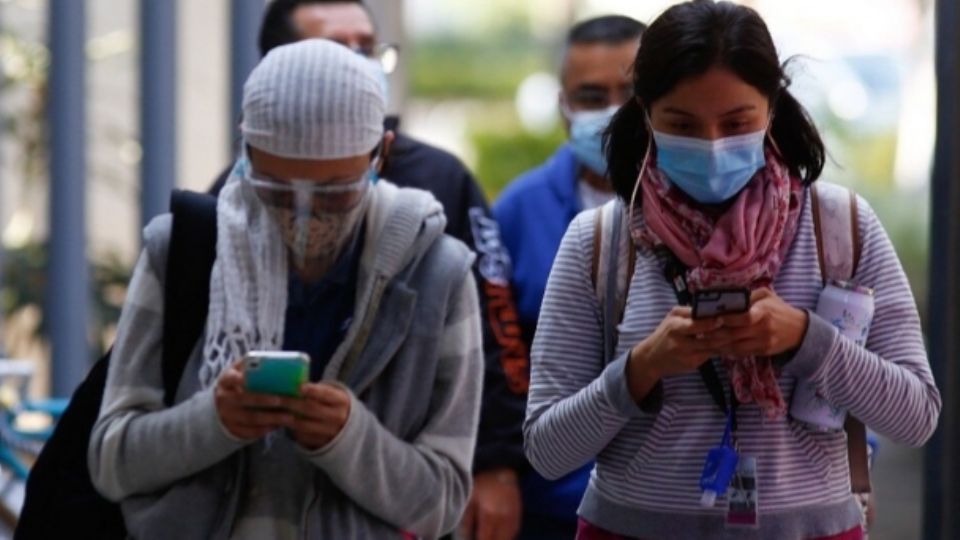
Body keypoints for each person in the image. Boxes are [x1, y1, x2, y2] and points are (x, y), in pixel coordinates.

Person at [523, 2, 941, 539]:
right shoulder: (600, 243)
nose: (714, 145)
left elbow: (917, 415)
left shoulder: (842, 227)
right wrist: (643, 367)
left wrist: (805, 340)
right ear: (646, 113)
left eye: (737, 122)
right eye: (683, 125)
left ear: (772, 108)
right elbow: (546, 449)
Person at [88, 39, 483, 539]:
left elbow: (443, 504)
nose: (304, 214)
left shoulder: (437, 274)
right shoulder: (181, 251)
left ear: (380, 154)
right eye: (276, 187)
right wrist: (214, 421)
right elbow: (110, 459)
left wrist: (349, 438)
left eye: (335, 191)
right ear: (244, 151)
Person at [213, 5, 531, 537]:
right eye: (340, 50)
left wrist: (496, 463)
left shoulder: (439, 179)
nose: (361, 67)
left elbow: (494, 329)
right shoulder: (228, 207)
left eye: (369, 49)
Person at [491, 15, 645, 539]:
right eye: (591, 95)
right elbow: (492, 359)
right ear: (563, 107)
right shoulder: (517, 211)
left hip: (677, 504)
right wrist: (493, 469)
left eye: (631, 91)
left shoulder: (723, 210)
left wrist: (854, 465)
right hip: (552, 504)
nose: (613, 110)